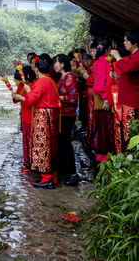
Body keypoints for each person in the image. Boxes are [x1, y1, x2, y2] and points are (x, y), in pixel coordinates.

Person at [13, 56, 60, 189]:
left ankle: (47, 178)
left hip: (43, 116)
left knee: (42, 145)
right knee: (50, 145)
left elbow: (30, 100)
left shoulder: (42, 82)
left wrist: (27, 91)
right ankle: (52, 175)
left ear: (37, 70)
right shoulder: (50, 80)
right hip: (51, 115)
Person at [110, 31, 139, 152]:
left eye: (126, 40)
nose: (124, 43)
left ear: (135, 43)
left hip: (135, 102)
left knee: (132, 134)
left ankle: (131, 157)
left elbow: (128, 68)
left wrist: (118, 57)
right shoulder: (134, 56)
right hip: (130, 100)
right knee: (127, 133)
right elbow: (132, 75)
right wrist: (119, 77)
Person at [52, 54, 80, 186]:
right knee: (62, 144)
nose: (54, 65)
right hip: (62, 114)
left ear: (62, 64)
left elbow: (73, 98)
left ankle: (73, 174)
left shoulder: (69, 77)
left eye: (56, 63)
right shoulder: (63, 77)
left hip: (68, 115)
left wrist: (58, 98)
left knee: (66, 144)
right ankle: (66, 171)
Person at [87, 37, 116, 163]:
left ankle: (101, 154)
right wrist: (106, 98)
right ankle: (105, 155)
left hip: (102, 97)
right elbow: (100, 83)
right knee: (106, 128)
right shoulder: (104, 61)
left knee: (101, 127)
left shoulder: (98, 61)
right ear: (108, 49)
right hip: (104, 98)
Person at [14, 64, 37, 172]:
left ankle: (34, 163)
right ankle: (27, 163)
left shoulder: (34, 84)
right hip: (24, 116)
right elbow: (17, 98)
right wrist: (15, 96)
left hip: (32, 116)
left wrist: (20, 97)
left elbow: (30, 100)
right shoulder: (21, 85)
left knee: (32, 142)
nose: (20, 82)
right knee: (26, 142)